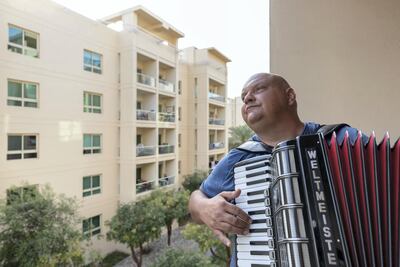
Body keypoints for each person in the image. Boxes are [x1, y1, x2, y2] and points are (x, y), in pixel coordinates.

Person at [188, 73, 363, 266]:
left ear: (289, 96)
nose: (247, 98)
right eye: (244, 96)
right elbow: (197, 198)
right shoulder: (238, 159)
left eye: (259, 89)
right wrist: (204, 208)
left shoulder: (340, 140)